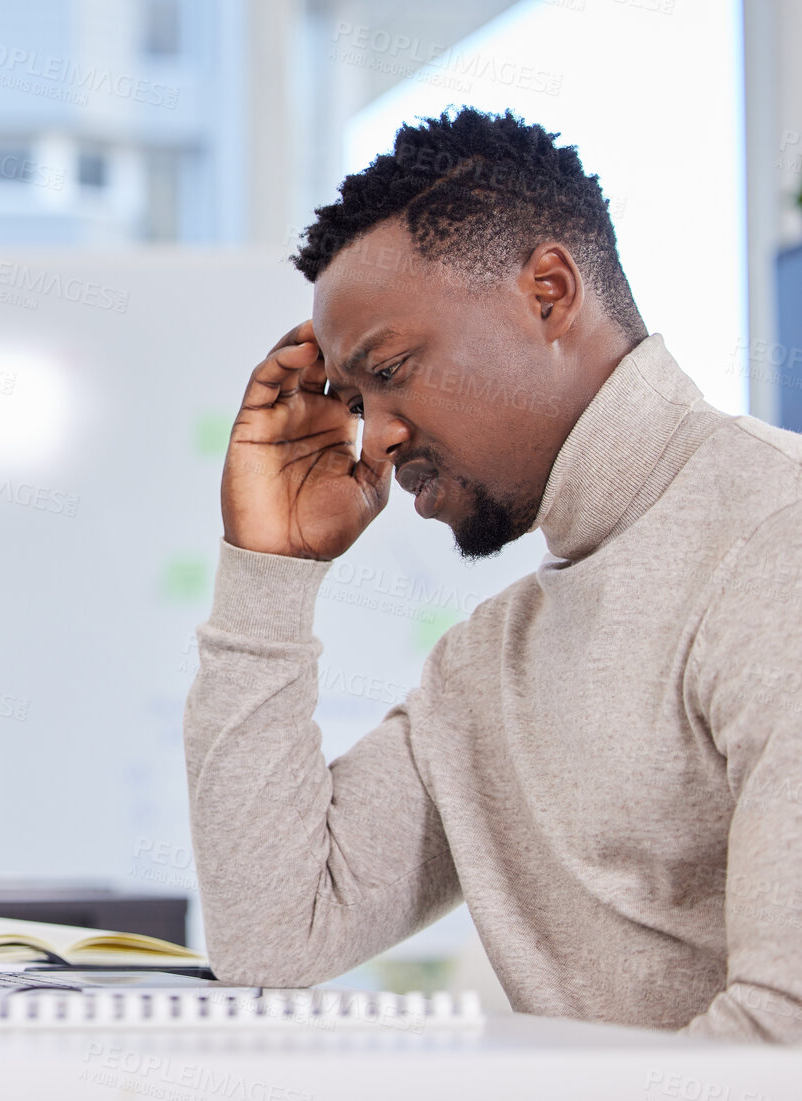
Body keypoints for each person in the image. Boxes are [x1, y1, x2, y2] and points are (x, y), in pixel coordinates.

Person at [185, 108, 802, 1042]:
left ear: (548, 292)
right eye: (355, 401)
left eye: (392, 370)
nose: (377, 439)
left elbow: (784, 1042)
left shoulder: (774, 546)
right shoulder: (495, 660)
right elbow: (273, 934)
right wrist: (267, 575)